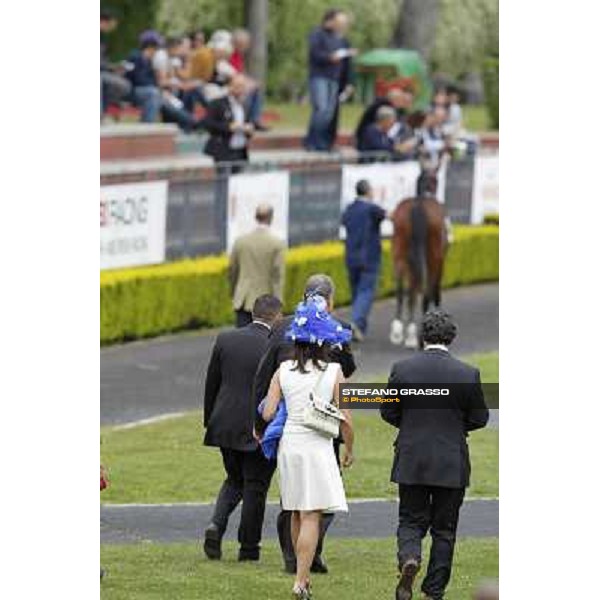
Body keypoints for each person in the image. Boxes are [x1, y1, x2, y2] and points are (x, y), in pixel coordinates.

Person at [380, 309, 489, 600]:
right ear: (451, 337)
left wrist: (412, 425)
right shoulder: (467, 373)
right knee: (445, 530)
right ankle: (433, 591)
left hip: (412, 457)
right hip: (451, 460)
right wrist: (455, 426)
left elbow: (388, 411)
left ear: (422, 336)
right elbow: (480, 418)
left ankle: (409, 557)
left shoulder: (402, 369)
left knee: (410, 520)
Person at [253, 274, 356, 576]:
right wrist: (350, 448)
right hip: (320, 439)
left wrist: (262, 420)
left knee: (295, 506)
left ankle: (296, 563)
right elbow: (347, 416)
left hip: (289, 440)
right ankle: (302, 574)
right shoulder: (334, 363)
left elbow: (268, 407)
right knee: (313, 512)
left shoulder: (283, 363)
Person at [202, 294, 283, 562]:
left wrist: (209, 420)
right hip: (257, 427)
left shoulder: (226, 339)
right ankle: (249, 548)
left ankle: (216, 524)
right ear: (278, 317)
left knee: (234, 479)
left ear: (252, 314)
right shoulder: (275, 345)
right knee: (255, 487)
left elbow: (211, 384)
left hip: (223, 424)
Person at [305, 9, 357, 151]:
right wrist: (329, 57)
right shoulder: (317, 34)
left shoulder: (342, 40)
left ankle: (323, 142)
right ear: (330, 21)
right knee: (321, 109)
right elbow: (315, 54)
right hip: (319, 76)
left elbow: (347, 63)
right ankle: (312, 141)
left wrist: (349, 82)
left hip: (334, 79)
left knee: (329, 112)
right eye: (339, 22)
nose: (342, 25)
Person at [341, 179, 387, 340]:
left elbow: (344, 222)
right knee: (365, 292)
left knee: (356, 294)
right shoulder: (372, 209)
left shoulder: (349, 209)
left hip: (351, 257)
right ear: (368, 191)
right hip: (369, 258)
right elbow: (384, 214)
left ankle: (360, 329)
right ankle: (355, 323)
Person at [229, 204, 285, 328]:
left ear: (255, 217)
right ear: (271, 218)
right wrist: (278, 304)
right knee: (262, 341)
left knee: (242, 338)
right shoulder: (276, 244)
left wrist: (234, 293)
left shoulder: (241, 241)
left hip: (243, 299)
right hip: (265, 303)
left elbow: (233, 270)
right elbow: (277, 276)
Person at [203, 73, 255, 168]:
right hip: (223, 150)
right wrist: (229, 127)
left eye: (243, 87)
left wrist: (250, 129)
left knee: (237, 180)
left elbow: (249, 124)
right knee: (224, 180)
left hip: (240, 150)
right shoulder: (217, 103)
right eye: (238, 86)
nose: (241, 90)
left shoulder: (245, 105)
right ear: (230, 87)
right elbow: (208, 123)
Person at [230, 28, 269, 130]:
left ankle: (254, 120)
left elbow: (241, 73)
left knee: (255, 88)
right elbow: (234, 76)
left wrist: (251, 82)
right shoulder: (231, 56)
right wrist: (247, 84)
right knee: (250, 90)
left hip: (239, 83)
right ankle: (250, 120)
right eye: (245, 44)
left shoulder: (239, 56)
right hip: (232, 85)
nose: (247, 47)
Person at [355, 86, 414, 151]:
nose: (401, 102)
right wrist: (396, 148)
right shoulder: (382, 107)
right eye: (400, 100)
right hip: (368, 139)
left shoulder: (388, 106)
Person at [124, 31, 163, 123]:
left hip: (144, 91)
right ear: (149, 47)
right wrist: (153, 85)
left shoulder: (149, 61)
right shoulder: (134, 56)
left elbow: (153, 80)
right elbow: (136, 79)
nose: (156, 52)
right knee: (153, 93)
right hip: (132, 91)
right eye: (156, 49)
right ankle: (147, 126)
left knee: (160, 95)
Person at [100, 7, 131, 116]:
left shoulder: (102, 38)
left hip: (103, 72)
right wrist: (112, 67)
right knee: (119, 85)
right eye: (112, 23)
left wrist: (114, 68)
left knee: (124, 85)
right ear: (103, 22)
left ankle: (105, 110)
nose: (113, 27)